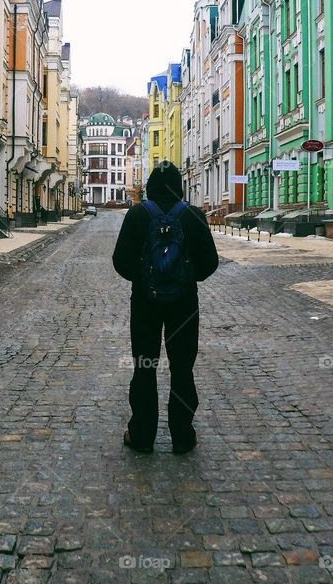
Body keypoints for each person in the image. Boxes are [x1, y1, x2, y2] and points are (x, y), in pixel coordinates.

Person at [112, 161, 218, 454]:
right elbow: (210, 263)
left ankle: (142, 436)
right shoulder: (194, 215)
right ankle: (183, 437)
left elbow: (120, 261)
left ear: (150, 186)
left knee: (145, 367)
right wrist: (185, 279)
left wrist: (145, 280)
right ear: (179, 186)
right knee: (182, 369)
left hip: (145, 305)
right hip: (184, 307)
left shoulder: (137, 215)